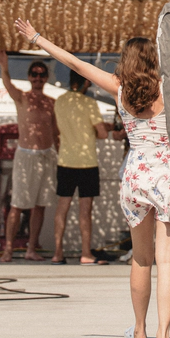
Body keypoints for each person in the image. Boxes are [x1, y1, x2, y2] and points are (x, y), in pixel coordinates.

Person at [13, 0, 170, 338]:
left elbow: (75, 64)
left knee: (141, 259)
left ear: (126, 62)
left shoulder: (119, 88)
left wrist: (37, 38)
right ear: (154, 61)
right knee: (167, 261)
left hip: (134, 178)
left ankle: (140, 332)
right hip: (167, 178)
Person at [0, 50, 59, 263]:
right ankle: (8, 249)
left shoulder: (51, 102)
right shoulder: (22, 97)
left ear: (46, 78)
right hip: (26, 156)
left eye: (41, 74)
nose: (38, 78)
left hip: (46, 156)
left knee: (40, 205)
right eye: (34, 74)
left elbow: (55, 132)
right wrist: (4, 65)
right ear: (29, 77)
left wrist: (61, 155)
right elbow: (7, 83)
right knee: (18, 204)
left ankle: (31, 248)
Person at [52, 70, 110, 265]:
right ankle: (86, 253)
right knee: (85, 211)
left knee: (62, 207)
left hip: (65, 160)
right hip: (87, 163)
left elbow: (57, 129)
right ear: (85, 83)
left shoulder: (60, 101)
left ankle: (57, 253)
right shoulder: (90, 103)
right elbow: (102, 133)